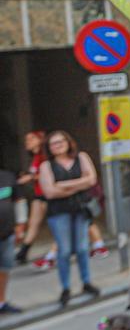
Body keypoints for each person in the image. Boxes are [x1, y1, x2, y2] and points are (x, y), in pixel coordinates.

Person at [38, 130, 99, 307]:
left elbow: (92, 180)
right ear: (49, 148)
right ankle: (65, 288)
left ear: (69, 142)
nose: (58, 145)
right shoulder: (46, 166)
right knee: (63, 251)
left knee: (81, 248)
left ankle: (86, 282)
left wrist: (63, 186)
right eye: (54, 144)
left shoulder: (81, 157)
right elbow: (49, 192)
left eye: (61, 142)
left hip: (80, 209)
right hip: (59, 212)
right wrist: (79, 184)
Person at [14, 131, 47, 266]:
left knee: (55, 222)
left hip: (48, 194)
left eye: (31, 139)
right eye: (26, 140)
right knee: (33, 223)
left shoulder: (44, 156)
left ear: (40, 140)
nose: (27, 142)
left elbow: (48, 174)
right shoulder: (35, 157)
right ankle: (23, 252)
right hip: (38, 194)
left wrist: (30, 177)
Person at [0, 167, 20, 314]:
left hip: (7, 233)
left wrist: (21, 225)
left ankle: (1, 302)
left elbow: (18, 201)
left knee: (4, 269)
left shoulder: (7, 176)